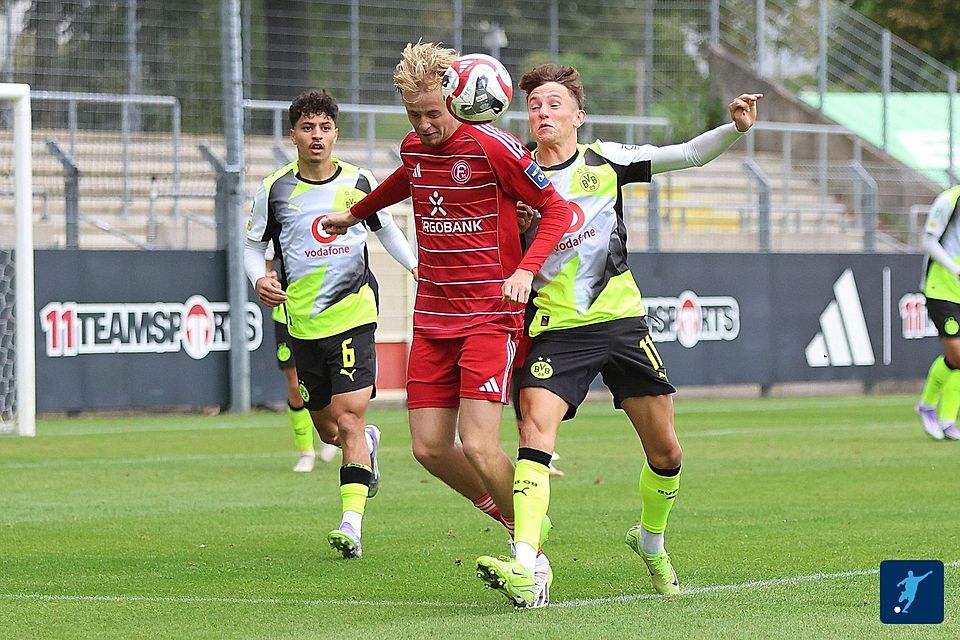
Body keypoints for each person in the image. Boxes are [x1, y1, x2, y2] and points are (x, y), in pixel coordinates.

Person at [476, 62, 761, 606]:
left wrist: (735, 128)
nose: (543, 112)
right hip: (557, 328)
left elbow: (690, 154)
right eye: (535, 104)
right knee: (535, 433)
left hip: (622, 324)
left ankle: (651, 542)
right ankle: (525, 564)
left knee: (667, 452)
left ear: (579, 116)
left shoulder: (606, 162)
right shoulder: (514, 178)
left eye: (555, 103)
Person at [322, 42, 572, 606]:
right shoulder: (416, 146)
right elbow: (404, 179)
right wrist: (354, 214)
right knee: (430, 450)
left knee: (479, 444)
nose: (425, 124)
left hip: (489, 313)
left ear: (459, 98)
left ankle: (530, 559)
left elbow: (557, 209)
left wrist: (527, 271)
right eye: (414, 114)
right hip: (432, 313)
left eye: (433, 112)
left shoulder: (493, 146)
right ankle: (514, 522)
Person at [244, 90, 418, 559]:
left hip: (354, 316)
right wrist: (258, 276)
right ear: (293, 133)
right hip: (302, 322)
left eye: (324, 128)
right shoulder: (275, 190)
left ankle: (351, 524)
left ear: (336, 133)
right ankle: (368, 445)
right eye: (307, 128)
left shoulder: (359, 182)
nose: (316, 136)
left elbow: (388, 231)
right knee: (328, 429)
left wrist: (418, 269)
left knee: (349, 416)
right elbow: (250, 246)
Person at [264, 241, 339, 472]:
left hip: (322, 312)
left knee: (329, 377)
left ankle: (336, 430)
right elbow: (264, 263)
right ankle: (305, 451)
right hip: (286, 314)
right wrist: (268, 278)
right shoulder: (280, 224)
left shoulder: (323, 228)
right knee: (295, 384)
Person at [915, 184, 960, 441]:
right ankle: (928, 404)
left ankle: (948, 419)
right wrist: (953, 268)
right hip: (941, 287)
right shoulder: (949, 200)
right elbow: (928, 241)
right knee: (956, 353)